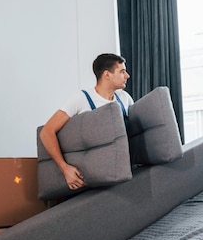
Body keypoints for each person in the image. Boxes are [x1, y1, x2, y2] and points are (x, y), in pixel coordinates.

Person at [39, 53, 134, 191]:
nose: (127, 76)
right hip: (95, 177)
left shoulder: (124, 98)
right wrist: (65, 169)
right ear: (107, 74)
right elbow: (46, 132)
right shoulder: (81, 99)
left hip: (124, 172)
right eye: (122, 72)